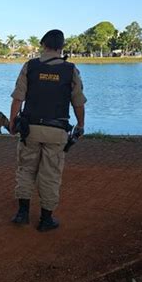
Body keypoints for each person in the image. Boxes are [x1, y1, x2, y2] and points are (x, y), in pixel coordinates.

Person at [9, 29, 86, 231]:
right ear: (62, 47)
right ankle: (46, 220)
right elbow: (78, 102)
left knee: (26, 169)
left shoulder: (30, 66)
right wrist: (80, 125)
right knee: (50, 174)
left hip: (30, 129)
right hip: (57, 130)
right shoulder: (71, 70)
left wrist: (11, 122)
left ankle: (22, 213)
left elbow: (18, 98)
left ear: (43, 45)